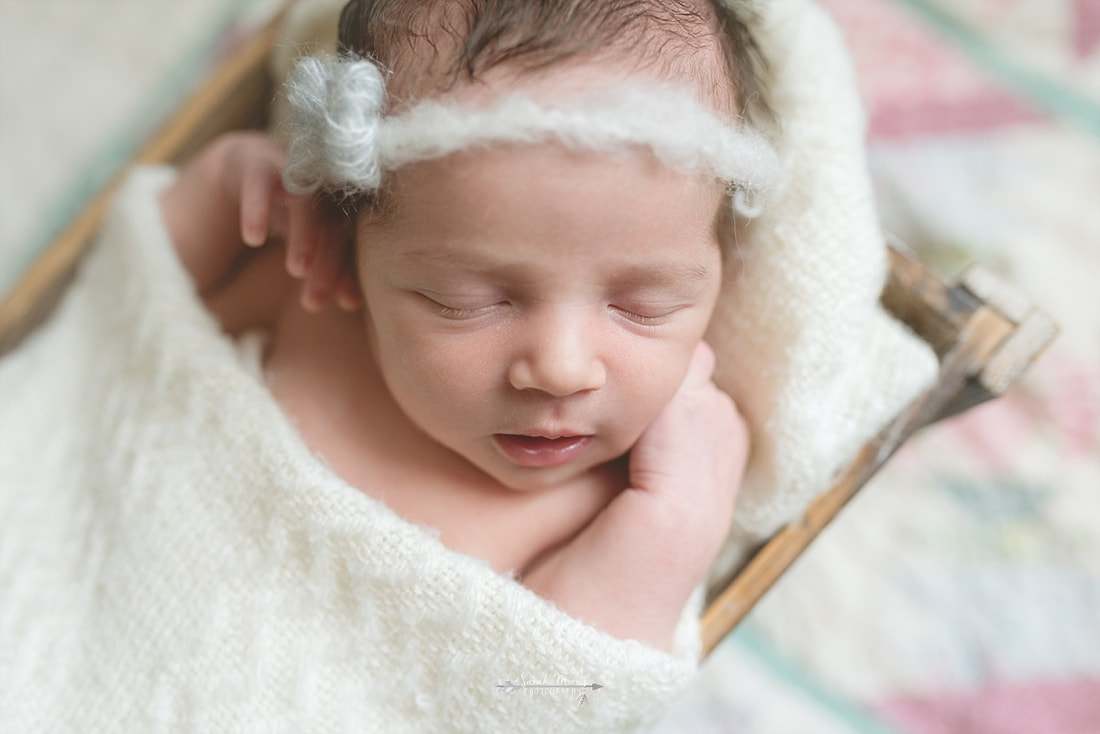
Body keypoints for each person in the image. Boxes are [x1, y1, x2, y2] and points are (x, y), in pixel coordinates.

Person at [156, 0, 772, 653]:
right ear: (347, 239)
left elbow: (557, 696)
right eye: (464, 300)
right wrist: (224, 188)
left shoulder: (615, 508)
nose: (561, 367)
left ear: (718, 271)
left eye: (643, 306)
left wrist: (670, 535)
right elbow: (141, 311)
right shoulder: (312, 293)